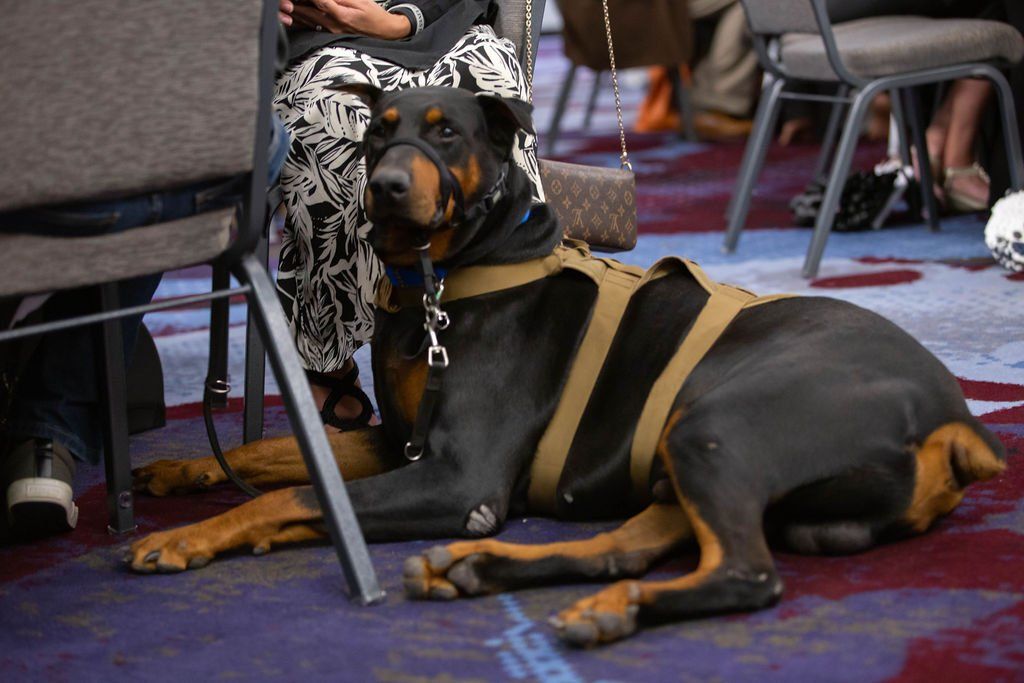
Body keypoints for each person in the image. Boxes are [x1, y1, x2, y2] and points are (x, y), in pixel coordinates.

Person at [0, 118, 290, 540]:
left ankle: (47, 430)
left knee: (113, 179)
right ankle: (46, 441)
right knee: (142, 187)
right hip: (192, 197)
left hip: (39, 189)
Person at [272, 0, 543, 430]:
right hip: (313, 43)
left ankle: (512, 332)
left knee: (492, 94)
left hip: (441, 26)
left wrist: (401, 21)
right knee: (346, 125)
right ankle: (330, 363)